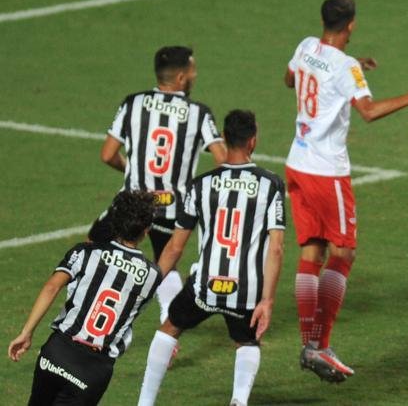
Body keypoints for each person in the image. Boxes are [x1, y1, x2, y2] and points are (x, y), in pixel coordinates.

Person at [286, 0, 408, 382]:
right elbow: (369, 111)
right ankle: (318, 345)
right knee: (344, 251)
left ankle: (311, 344)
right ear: (351, 25)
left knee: (312, 250)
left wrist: (348, 70)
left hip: (296, 162)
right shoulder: (345, 67)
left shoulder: (307, 46)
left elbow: (291, 78)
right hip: (327, 171)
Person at [136, 109, 285, 406]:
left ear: (225, 140)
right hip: (245, 290)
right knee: (247, 341)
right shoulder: (270, 185)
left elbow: (174, 248)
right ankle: (238, 401)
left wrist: (146, 287)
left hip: (204, 284)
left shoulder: (200, 185)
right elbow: (276, 248)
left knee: (170, 329)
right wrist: (266, 300)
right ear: (253, 141)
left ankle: (144, 402)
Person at [92, 46, 227, 324]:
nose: (195, 75)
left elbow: (107, 154)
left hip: (132, 201)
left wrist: (132, 170)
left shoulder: (133, 103)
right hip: (171, 207)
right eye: (192, 70)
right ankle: (170, 323)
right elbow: (222, 160)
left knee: (93, 248)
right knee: (166, 264)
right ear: (180, 77)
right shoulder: (198, 113)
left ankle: (93, 310)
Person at [8, 190, 162, 405]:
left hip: (57, 351)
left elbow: (52, 287)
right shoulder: (153, 276)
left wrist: (26, 332)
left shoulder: (85, 252)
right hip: (93, 369)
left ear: (115, 221)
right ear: (146, 231)